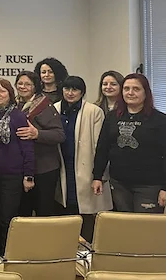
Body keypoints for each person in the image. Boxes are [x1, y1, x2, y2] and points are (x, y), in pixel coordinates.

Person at [92, 73, 166, 213]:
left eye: (136, 89)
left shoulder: (159, 120)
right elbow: (102, 149)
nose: (130, 93)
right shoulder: (112, 117)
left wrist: (165, 187)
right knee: (124, 223)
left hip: (149, 185)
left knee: (144, 225)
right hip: (119, 183)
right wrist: (97, 176)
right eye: (126, 89)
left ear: (146, 93)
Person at [54, 76, 111, 242]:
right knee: (66, 206)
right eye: (67, 89)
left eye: (75, 89)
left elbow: (100, 146)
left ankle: (86, 248)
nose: (70, 93)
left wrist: (98, 174)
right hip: (63, 164)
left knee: (86, 211)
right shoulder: (55, 109)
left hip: (86, 166)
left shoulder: (93, 111)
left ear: (82, 92)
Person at [0, 78, 34, 254]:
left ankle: (8, 253)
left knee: (7, 217)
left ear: (10, 95)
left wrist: (29, 175)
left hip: (11, 175)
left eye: (2, 91)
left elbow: (27, 147)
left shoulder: (18, 116)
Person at [15, 71, 64, 217]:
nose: (23, 87)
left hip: (44, 168)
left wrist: (37, 134)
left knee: (44, 211)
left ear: (35, 87)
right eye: (20, 83)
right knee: (23, 211)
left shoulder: (44, 105)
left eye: (27, 84)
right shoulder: (14, 105)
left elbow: (59, 135)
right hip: (22, 168)